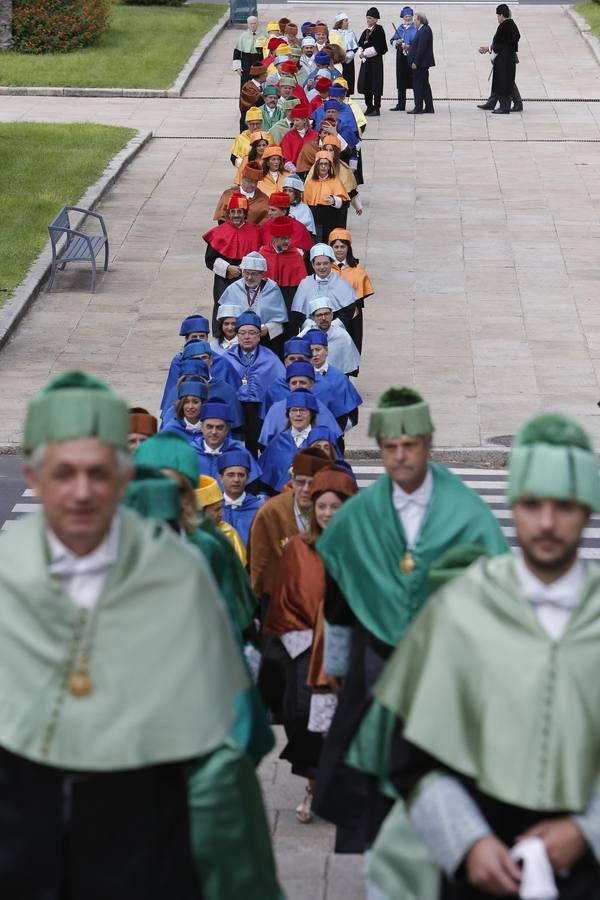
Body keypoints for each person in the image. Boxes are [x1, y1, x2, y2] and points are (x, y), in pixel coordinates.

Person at [0, 371, 248, 898]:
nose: (83, 492)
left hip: (144, 847)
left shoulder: (179, 576)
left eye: (98, 472)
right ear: (34, 478)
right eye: (64, 473)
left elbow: (216, 736)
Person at [372, 412, 600, 899]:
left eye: (564, 506)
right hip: (476, 870)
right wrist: (469, 842)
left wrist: (587, 830)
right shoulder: (462, 607)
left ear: (588, 509)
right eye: (531, 504)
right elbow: (410, 756)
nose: (546, 523)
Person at [311, 386, 509, 854]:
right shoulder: (356, 518)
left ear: (428, 442)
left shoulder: (468, 514)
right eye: (390, 448)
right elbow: (337, 598)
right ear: (379, 449)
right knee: (375, 801)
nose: (400, 457)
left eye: (411, 445)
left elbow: (496, 602)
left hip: (449, 677)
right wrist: (336, 668)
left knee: (448, 792)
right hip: (373, 670)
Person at [264, 465, 357, 825]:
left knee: (344, 721)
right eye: (322, 507)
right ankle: (313, 784)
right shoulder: (298, 548)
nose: (328, 514)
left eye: (336, 507)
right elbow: (284, 597)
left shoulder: (361, 547)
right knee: (305, 719)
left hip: (349, 646)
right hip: (304, 646)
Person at [250, 448, 332, 719]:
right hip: (281, 607)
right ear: (292, 480)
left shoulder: (336, 511)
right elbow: (260, 568)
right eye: (301, 482)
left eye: (313, 483)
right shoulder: (271, 513)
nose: (306, 489)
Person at [226, 311, 286, 455]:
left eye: (252, 333)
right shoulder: (227, 358)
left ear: (259, 336)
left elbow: (280, 388)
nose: (247, 337)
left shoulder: (271, 359)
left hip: (261, 411)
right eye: (242, 333)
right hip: (235, 410)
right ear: (237, 335)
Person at [202, 193, 262, 332]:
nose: (236, 215)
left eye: (239, 212)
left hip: (248, 279)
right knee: (223, 309)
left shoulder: (255, 232)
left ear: (245, 214)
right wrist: (227, 268)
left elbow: (259, 256)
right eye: (233, 212)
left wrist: (243, 269)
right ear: (228, 213)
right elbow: (210, 259)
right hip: (224, 280)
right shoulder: (219, 232)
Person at [218, 250, 288, 355]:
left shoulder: (272, 288)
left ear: (262, 274)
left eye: (254, 274)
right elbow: (223, 319)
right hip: (237, 342)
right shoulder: (233, 289)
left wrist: (268, 328)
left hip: (266, 342)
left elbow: (281, 323)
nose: (249, 277)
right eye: (246, 273)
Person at [259, 391, 320, 493]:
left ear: (311, 414)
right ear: (288, 414)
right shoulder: (277, 441)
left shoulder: (321, 440)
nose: (298, 414)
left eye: (303, 410)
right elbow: (266, 480)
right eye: (294, 410)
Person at [192, 400, 261, 485]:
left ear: (227, 429)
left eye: (219, 427)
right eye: (209, 427)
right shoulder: (189, 451)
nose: (214, 432)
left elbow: (252, 487)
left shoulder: (239, 452)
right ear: (202, 427)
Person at [305, 328, 362, 429]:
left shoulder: (339, 378)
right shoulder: (300, 377)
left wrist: (335, 431)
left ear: (326, 351)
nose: (314, 354)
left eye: (318, 349)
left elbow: (353, 416)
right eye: (311, 351)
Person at [292, 244, 357, 331]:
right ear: (313, 265)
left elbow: (348, 310)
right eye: (318, 264)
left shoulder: (341, 283)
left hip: (336, 331)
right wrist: (312, 326)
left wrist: (332, 326)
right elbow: (298, 312)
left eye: (325, 263)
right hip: (310, 331)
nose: (322, 267)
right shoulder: (305, 283)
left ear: (331, 263)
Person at [329, 227, 374, 353]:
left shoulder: (358, 270)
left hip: (352, 317)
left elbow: (359, 297)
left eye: (342, 246)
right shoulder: (325, 269)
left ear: (348, 248)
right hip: (329, 315)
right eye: (336, 247)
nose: (339, 250)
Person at [258, 215, 308, 318]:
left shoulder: (296, 254)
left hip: (289, 299)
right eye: (283, 238)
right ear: (274, 237)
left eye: (289, 237)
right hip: (268, 299)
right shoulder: (263, 253)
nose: (287, 241)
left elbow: (302, 285)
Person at [478, 4, 521, 114]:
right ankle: (494, 103)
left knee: (504, 82)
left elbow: (499, 45)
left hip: (504, 60)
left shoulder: (504, 26)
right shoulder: (512, 25)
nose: (497, 18)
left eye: (498, 15)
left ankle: (506, 106)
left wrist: (488, 48)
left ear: (502, 15)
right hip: (508, 58)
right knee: (506, 81)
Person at [299, 298, 361, 375]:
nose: (323, 318)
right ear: (313, 318)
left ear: (332, 315)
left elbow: (347, 369)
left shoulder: (342, 336)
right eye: (319, 315)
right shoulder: (304, 336)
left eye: (326, 314)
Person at [219, 449, 265, 547]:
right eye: (230, 475)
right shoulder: (213, 507)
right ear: (221, 478)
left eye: (241, 475)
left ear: (248, 478)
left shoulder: (260, 509)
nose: (236, 480)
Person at [196, 475, 247, 564]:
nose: (222, 514)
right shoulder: (181, 535)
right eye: (216, 510)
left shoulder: (228, 533)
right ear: (200, 512)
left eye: (221, 508)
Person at [304, 150, 350, 243]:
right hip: (314, 223)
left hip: (331, 222)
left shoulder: (336, 181)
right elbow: (304, 204)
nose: (323, 166)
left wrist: (334, 200)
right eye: (321, 164)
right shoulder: (309, 183)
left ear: (330, 166)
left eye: (326, 164)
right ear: (317, 166)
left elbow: (344, 202)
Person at [357, 7, 388, 116]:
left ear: (375, 19)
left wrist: (365, 53)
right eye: (367, 18)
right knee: (366, 84)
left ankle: (376, 107)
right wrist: (361, 51)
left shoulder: (379, 30)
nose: (368, 20)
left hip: (375, 63)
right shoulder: (366, 31)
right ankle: (369, 106)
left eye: (370, 18)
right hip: (366, 63)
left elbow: (381, 47)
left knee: (376, 84)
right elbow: (360, 44)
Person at [389, 6, 417, 110]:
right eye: (406, 16)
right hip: (401, 57)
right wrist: (397, 42)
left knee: (414, 80)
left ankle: (417, 104)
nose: (408, 18)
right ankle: (401, 104)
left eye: (409, 16)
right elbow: (392, 40)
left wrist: (409, 46)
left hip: (411, 56)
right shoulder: (400, 28)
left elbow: (417, 42)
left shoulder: (415, 28)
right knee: (401, 80)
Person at [407, 12, 435, 114]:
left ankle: (418, 107)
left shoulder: (424, 31)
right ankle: (429, 107)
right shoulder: (423, 30)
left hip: (420, 64)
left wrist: (415, 62)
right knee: (424, 86)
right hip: (422, 64)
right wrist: (409, 47)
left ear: (420, 20)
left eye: (415, 20)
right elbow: (416, 46)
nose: (414, 22)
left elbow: (421, 49)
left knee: (418, 86)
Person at [232, 16, 266, 88]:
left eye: (255, 23)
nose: (253, 25)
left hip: (259, 60)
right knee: (245, 84)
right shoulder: (243, 36)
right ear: (248, 24)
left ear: (257, 23)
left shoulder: (264, 34)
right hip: (246, 62)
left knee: (259, 82)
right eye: (251, 24)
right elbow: (237, 52)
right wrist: (238, 67)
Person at [331, 11, 359, 93]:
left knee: (348, 81)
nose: (348, 22)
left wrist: (348, 56)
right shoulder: (333, 33)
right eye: (346, 20)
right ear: (340, 22)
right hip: (337, 61)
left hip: (348, 61)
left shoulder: (350, 33)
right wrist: (339, 56)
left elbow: (355, 48)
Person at [239, 63, 267, 131]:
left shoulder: (259, 86)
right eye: (265, 73)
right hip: (249, 123)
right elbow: (258, 100)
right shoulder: (248, 87)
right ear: (261, 75)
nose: (267, 75)